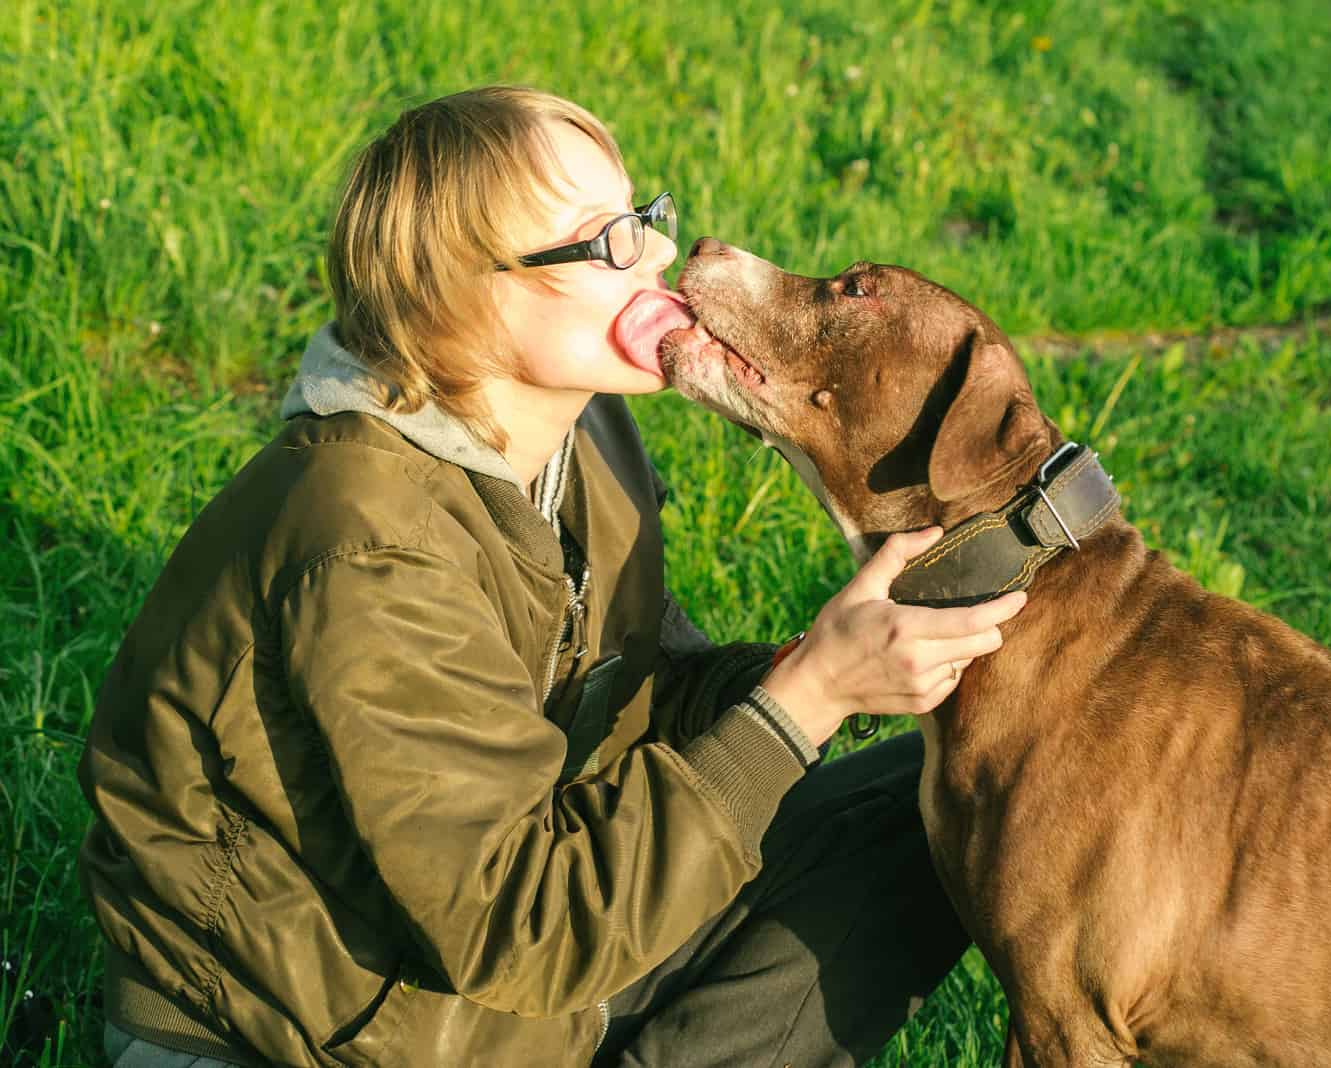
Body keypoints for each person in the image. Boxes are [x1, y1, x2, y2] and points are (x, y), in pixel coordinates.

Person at [77, 85, 1027, 1067]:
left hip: (502, 957)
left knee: (935, 808)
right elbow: (515, 932)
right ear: (467, 297)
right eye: (606, 239)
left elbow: (635, 701)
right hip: (325, 1016)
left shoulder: (579, 427)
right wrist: (803, 700)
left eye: (643, 219)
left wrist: (808, 678)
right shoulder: (369, 547)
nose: (660, 254)